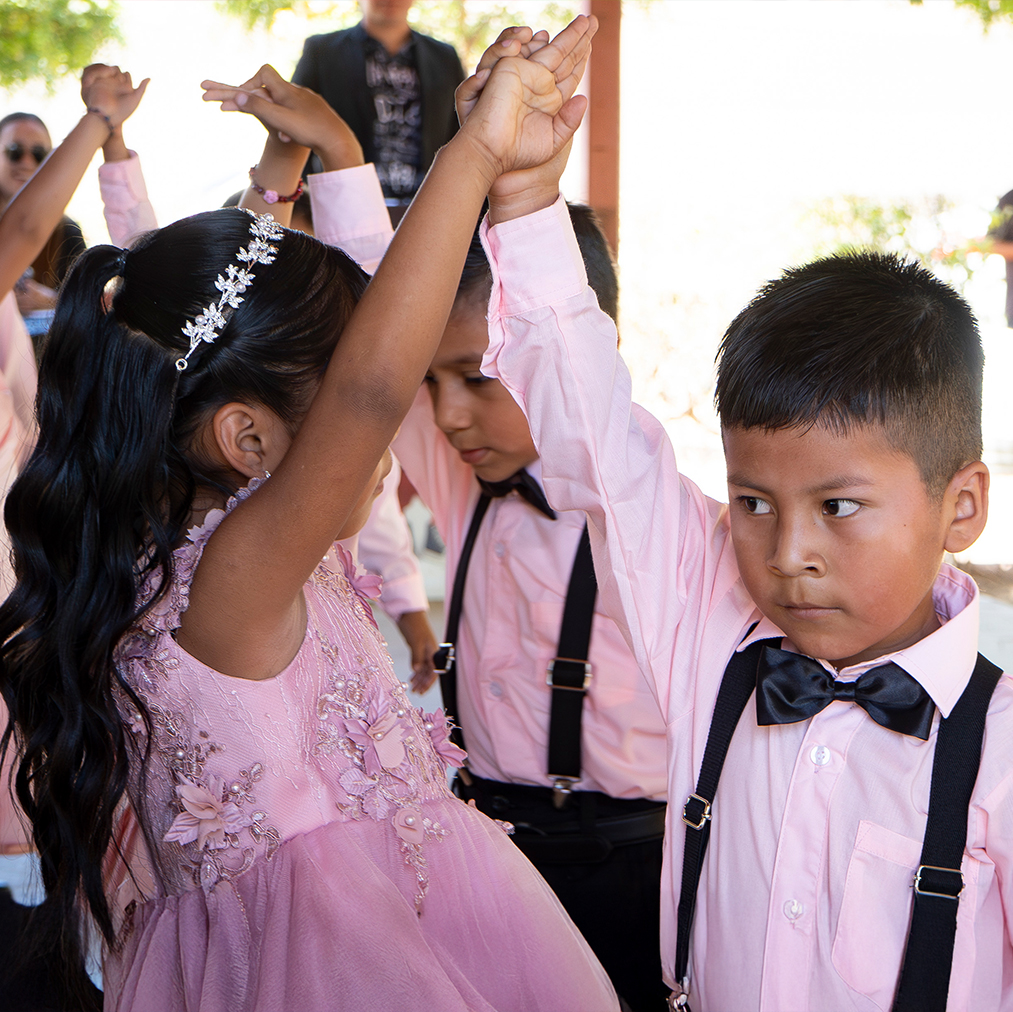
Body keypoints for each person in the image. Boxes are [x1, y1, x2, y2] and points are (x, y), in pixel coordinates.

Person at [1, 18, 619, 1012]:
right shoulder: (237, 574)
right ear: (247, 441)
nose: (367, 427)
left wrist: (303, 167)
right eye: (325, 405)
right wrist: (475, 153)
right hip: (335, 963)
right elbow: (375, 377)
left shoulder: (191, 548)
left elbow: (318, 336)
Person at [457, 40, 1008, 1012]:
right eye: (752, 502)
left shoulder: (1000, 751)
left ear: (959, 505)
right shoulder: (711, 635)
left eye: (837, 507)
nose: (785, 550)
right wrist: (525, 198)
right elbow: (594, 439)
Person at [292, 0, 464, 222]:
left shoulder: (444, 57)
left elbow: (459, 131)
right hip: (344, 210)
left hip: (429, 209)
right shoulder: (322, 51)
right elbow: (296, 124)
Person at [0, 112, 88, 339]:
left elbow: (90, 306)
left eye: (39, 155)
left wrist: (48, 300)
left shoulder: (66, 231)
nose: (27, 162)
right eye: (14, 152)